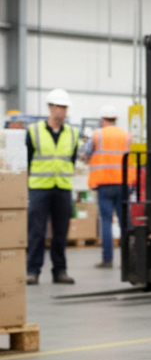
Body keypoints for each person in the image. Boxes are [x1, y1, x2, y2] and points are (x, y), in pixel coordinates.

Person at [26, 88, 80, 286]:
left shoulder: (73, 133)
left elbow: (71, 159)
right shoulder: (34, 131)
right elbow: (28, 158)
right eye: (59, 107)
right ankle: (32, 271)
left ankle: (60, 271)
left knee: (60, 233)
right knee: (36, 231)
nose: (63, 112)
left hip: (62, 187)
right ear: (50, 107)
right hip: (39, 187)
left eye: (65, 108)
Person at [82, 104, 132, 269]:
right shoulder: (126, 135)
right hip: (123, 183)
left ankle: (107, 259)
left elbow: (85, 154)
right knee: (125, 222)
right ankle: (129, 258)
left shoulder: (97, 135)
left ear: (103, 119)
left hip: (104, 184)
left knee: (106, 222)